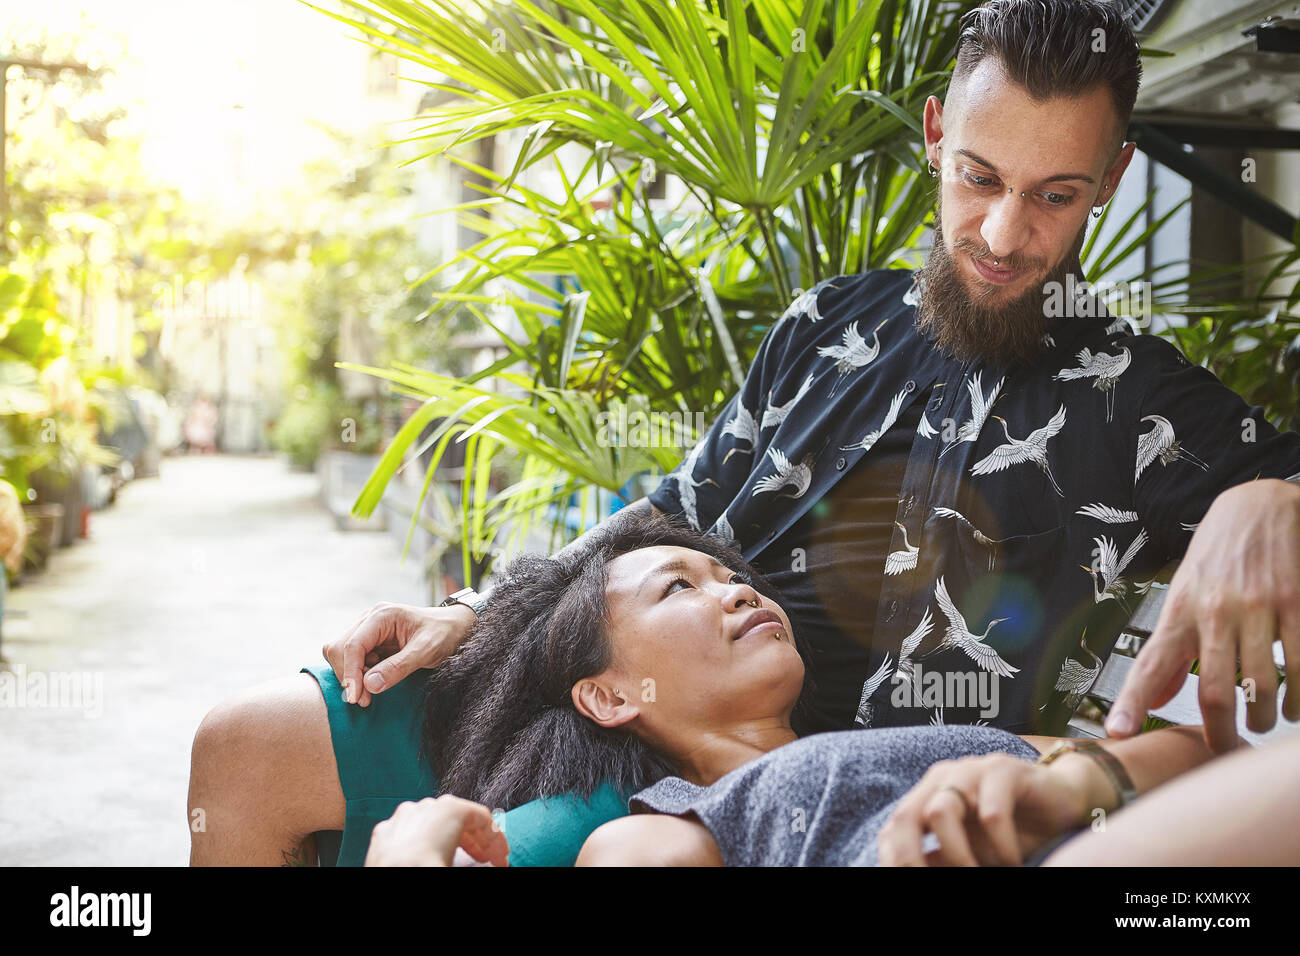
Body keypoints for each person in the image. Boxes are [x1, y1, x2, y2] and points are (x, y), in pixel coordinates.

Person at [188, 0, 1300, 866]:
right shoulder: (828, 322)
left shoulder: (1148, 401)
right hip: (645, 694)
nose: (1005, 234)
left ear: (1109, 178)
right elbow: (677, 508)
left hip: (787, 792)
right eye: (978, 178)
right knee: (239, 743)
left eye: (1056, 195)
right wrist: (477, 608)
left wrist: (1273, 494)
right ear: (932, 136)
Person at [362, 511, 1222, 867]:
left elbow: (1192, 751)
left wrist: (1063, 784)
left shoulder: (953, 747)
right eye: (679, 589)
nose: (738, 589)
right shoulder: (658, 832)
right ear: (611, 696)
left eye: (730, 575)